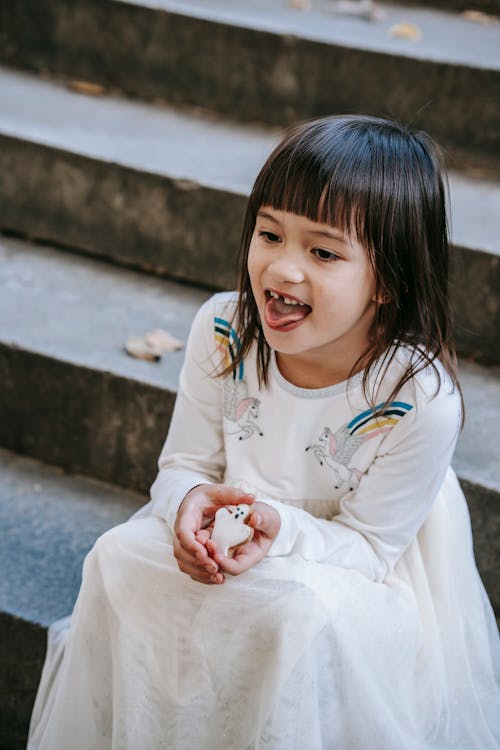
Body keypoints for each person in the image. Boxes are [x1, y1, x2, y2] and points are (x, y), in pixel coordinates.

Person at [28, 115, 500, 749]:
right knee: (118, 555)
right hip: (231, 536)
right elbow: (185, 465)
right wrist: (184, 509)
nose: (282, 269)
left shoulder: (416, 398)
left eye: (324, 251)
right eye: (269, 234)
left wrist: (279, 532)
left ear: (387, 279)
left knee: (293, 610)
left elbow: (368, 549)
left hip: (347, 572)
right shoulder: (223, 330)